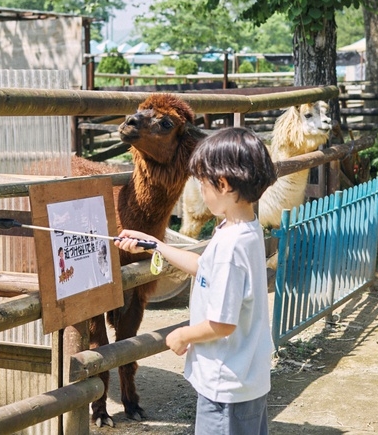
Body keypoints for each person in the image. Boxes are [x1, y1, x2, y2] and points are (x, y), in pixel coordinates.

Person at [115, 126, 277, 435]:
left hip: (225, 386)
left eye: (202, 183)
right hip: (245, 378)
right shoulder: (244, 228)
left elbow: (222, 324)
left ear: (224, 184)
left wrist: (183, 335)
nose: (200, 191)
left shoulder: (231, 246)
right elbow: (204, 266)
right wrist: (155, 244)